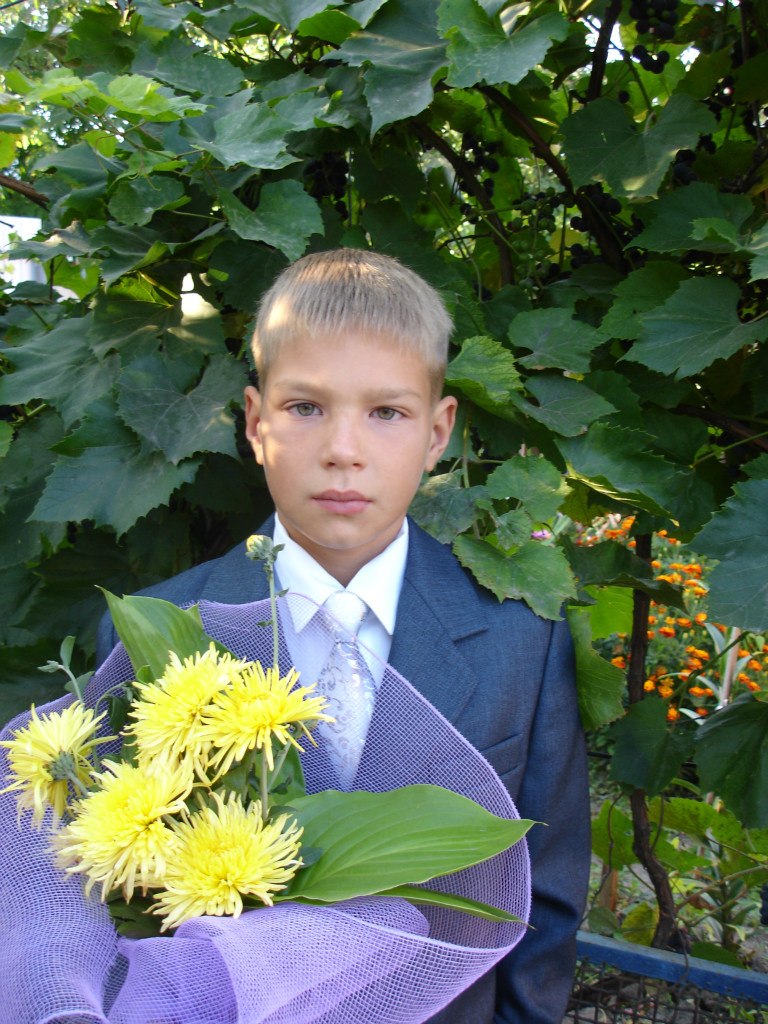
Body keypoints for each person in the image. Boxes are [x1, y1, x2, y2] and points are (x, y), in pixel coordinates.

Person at [97, 248, 590, 1024]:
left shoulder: (520, 641)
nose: (343, 451)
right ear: (255, 422)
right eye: (305, 408)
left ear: (438, 431)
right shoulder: (158, 628)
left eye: (386, 413)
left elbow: (546, 906)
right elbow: (109, 891)